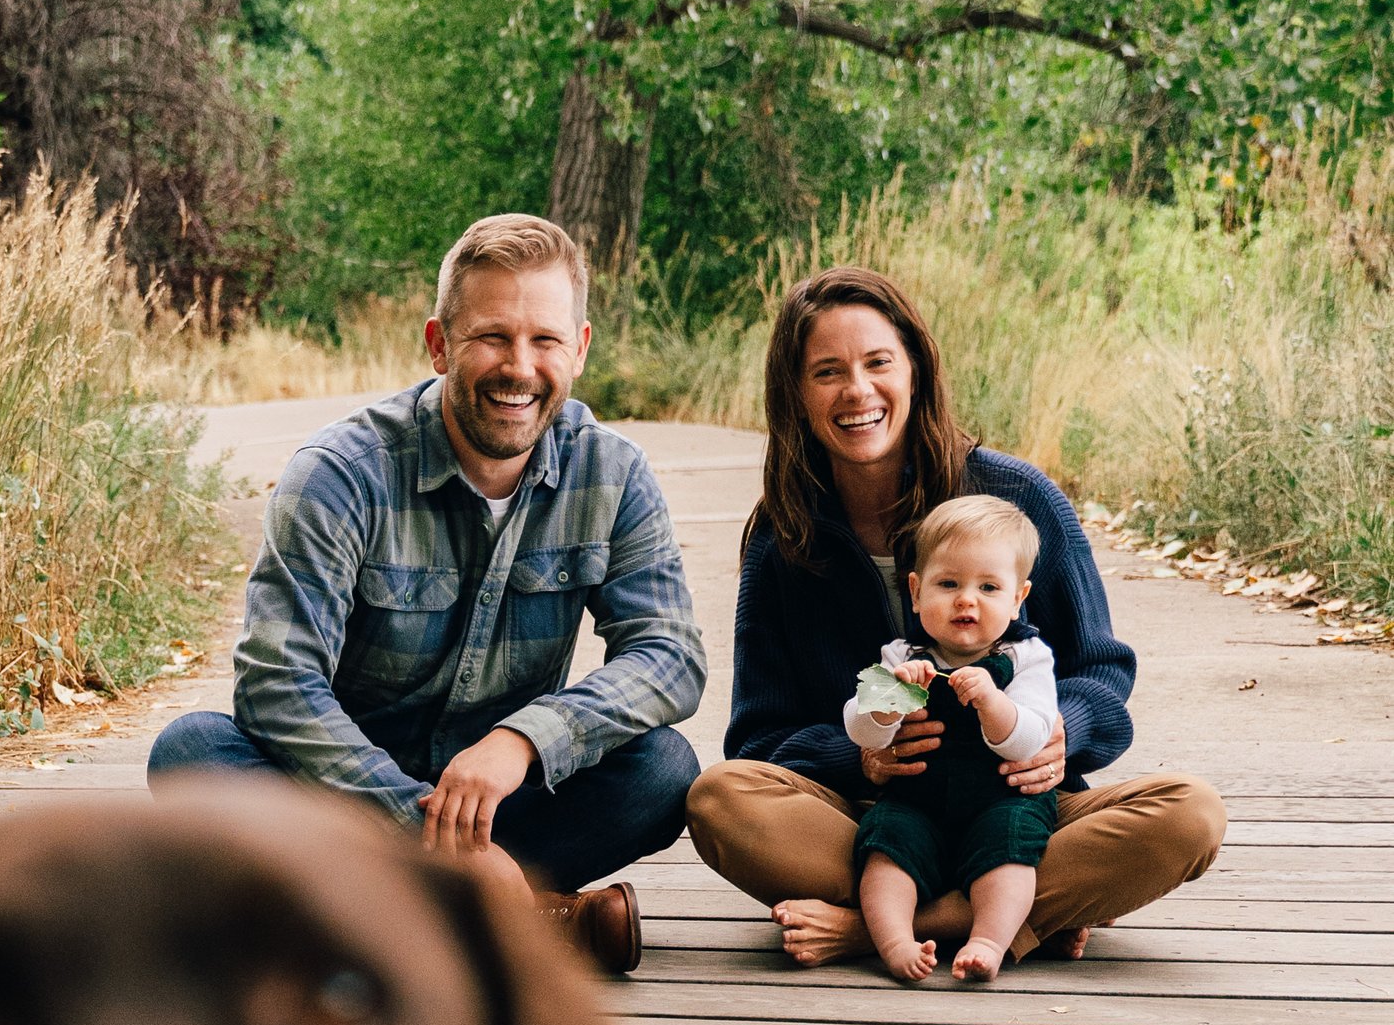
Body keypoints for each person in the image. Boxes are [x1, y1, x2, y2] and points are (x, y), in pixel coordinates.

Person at [147, 213, 706, 975]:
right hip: (341, 793)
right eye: (491, 338)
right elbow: (277, 684)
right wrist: (425, 836)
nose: (519, 366)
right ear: (439, 344)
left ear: (577, 349)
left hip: (503, 801)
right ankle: (514, 921)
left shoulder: (612, 472)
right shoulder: (340, 473)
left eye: (544, 340)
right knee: (192, 753)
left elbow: (669, 656)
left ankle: (354, 922)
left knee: (665, 769)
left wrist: (522, 742)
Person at [687, 267, 1223, 966]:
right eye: (827, 372)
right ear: (795, 392)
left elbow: (1101, 671)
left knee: (1190, 815)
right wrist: (863, 758)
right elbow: (758, 740)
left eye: (878, 362)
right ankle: (1010, 916)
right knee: (718, 801)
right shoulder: (784, 537)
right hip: (877, 819)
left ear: (915, 368)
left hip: (1015, 812)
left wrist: (1065, 731)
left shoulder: (1016, 497)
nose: (858, 391)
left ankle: (879, 930)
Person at [846, 494, 1060, 985]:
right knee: (885, 846)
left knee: (1011, 850)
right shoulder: (902, 653)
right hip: (918, 801)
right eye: (949, 584)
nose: (967, 599)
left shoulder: (1027, 657)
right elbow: (859, 727)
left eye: (989, 586)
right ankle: (895, 941)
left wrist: (993, 702)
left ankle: (987, 941)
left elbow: (1030, 738)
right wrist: (889, 697)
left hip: (1001, 801)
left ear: (1017, 598)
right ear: (916, 593)